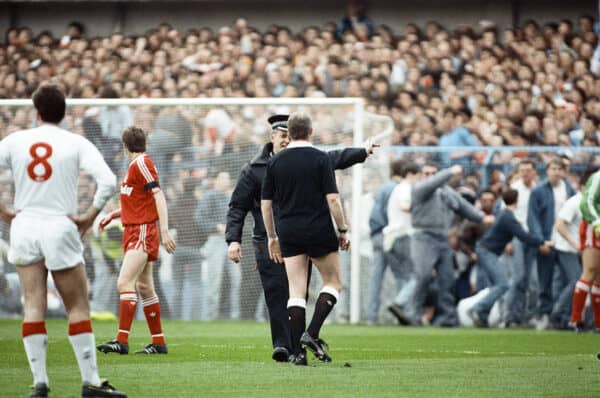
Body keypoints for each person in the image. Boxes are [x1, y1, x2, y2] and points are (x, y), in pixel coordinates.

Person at [0, 83, 126, 397]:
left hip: (24, 224)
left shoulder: (15, 140)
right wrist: (89, 215)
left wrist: (3, 211)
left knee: (33, 305)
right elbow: (109, 180)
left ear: (36, 112)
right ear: (64, 111)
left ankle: (40, 384)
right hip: (60, 224)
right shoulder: (75, 142)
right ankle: (91, 382)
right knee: (78, 306)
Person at [226, 114, 372, 362]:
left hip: (287, 236)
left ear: (292, 135)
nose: (284, 140)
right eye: (281, 136)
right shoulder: (254, 169)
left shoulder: (284, 163)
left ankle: (297, 350)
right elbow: (238, 206)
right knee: (277, 292)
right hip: (273, 239)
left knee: (297, 292)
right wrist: (234, 239)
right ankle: (286, 344)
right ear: (273, 137)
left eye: (287, 136)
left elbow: (336, 157)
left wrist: (361, 152)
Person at [261, 112, 350, 366]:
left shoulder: (275, 162)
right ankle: (311, 333)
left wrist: (272, 237)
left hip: (288, 231)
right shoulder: (321, 158)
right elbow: (332, 199)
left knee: (296, 291)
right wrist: (343, 229)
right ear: (311, 131)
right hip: (318, 228)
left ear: (289, 133)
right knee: (333, 282)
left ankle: (298, 355)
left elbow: (266, 205)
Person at [96, 126, 176, 355]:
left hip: (141, 231)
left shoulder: (141, 163)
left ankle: (121, 340)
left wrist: (165, 230)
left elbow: (158, 195)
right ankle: (158, 342)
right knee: (144, 286)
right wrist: (113, 214)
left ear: (124, 145)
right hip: (136, 228)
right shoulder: (136, 165)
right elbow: (138, 202)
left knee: (124, 282)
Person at [404, 163, 495, 327]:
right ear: (421, 175)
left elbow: (463, 206)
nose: (430, 176)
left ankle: (448, 318)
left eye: (433, 172)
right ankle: (413, 314)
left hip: (442, 237)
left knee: (447, 278)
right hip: (423, 236)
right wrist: (449, 172)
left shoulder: (446, 191)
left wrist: (481, 218)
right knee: (423, 276)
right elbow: (431, 184)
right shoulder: (419, 189)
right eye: (426, 173)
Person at [467, 188, 551, 327]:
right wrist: (542, 242)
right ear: (517, 201)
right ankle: (477, 308)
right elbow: (523, 235)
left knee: (497, 284)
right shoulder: (508, 217)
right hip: (487, 252)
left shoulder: (504, 214)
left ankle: (482, 316)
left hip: (486, 251)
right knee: (503, 284)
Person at [528, 158, 575, 330]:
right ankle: (545, 315)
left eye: (559, 168)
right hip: (548, 241)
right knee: (545, 281)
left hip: (565, 242)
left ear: (563, 171)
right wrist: (541, 241)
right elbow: (533, 218)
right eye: (552, 168)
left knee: (570, 279)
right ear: (547, 171)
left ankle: (561, 315)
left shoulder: (569, 190)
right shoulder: (538, 191)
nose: (555, 171)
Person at [384, 160, 420, 325]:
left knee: (403, 278)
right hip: (402, 235)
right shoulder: (405, 188)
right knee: (416, 276)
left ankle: (404, 315)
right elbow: (405, 205)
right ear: (412, 175)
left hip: (391, 238)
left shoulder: (397, 188)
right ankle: (399, 304)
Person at [504, 158, 538, 327]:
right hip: (517, 237)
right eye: (522, 170)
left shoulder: (538, 189)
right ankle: (509, 316)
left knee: (532, 281)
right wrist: (508, 239)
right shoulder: (514, 189)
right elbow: (506, 216)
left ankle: (528, 316)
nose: (525, 172)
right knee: (517, 278)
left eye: (528, 169)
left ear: (533, 172)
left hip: (532, 238)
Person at [571, 169, 600, 332]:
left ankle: (598, 323)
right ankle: (576, 319)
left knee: (599, 278)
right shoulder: (598, 177)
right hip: (593, 227)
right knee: (589, 271)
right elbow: (587, 202)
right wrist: (597, 222)